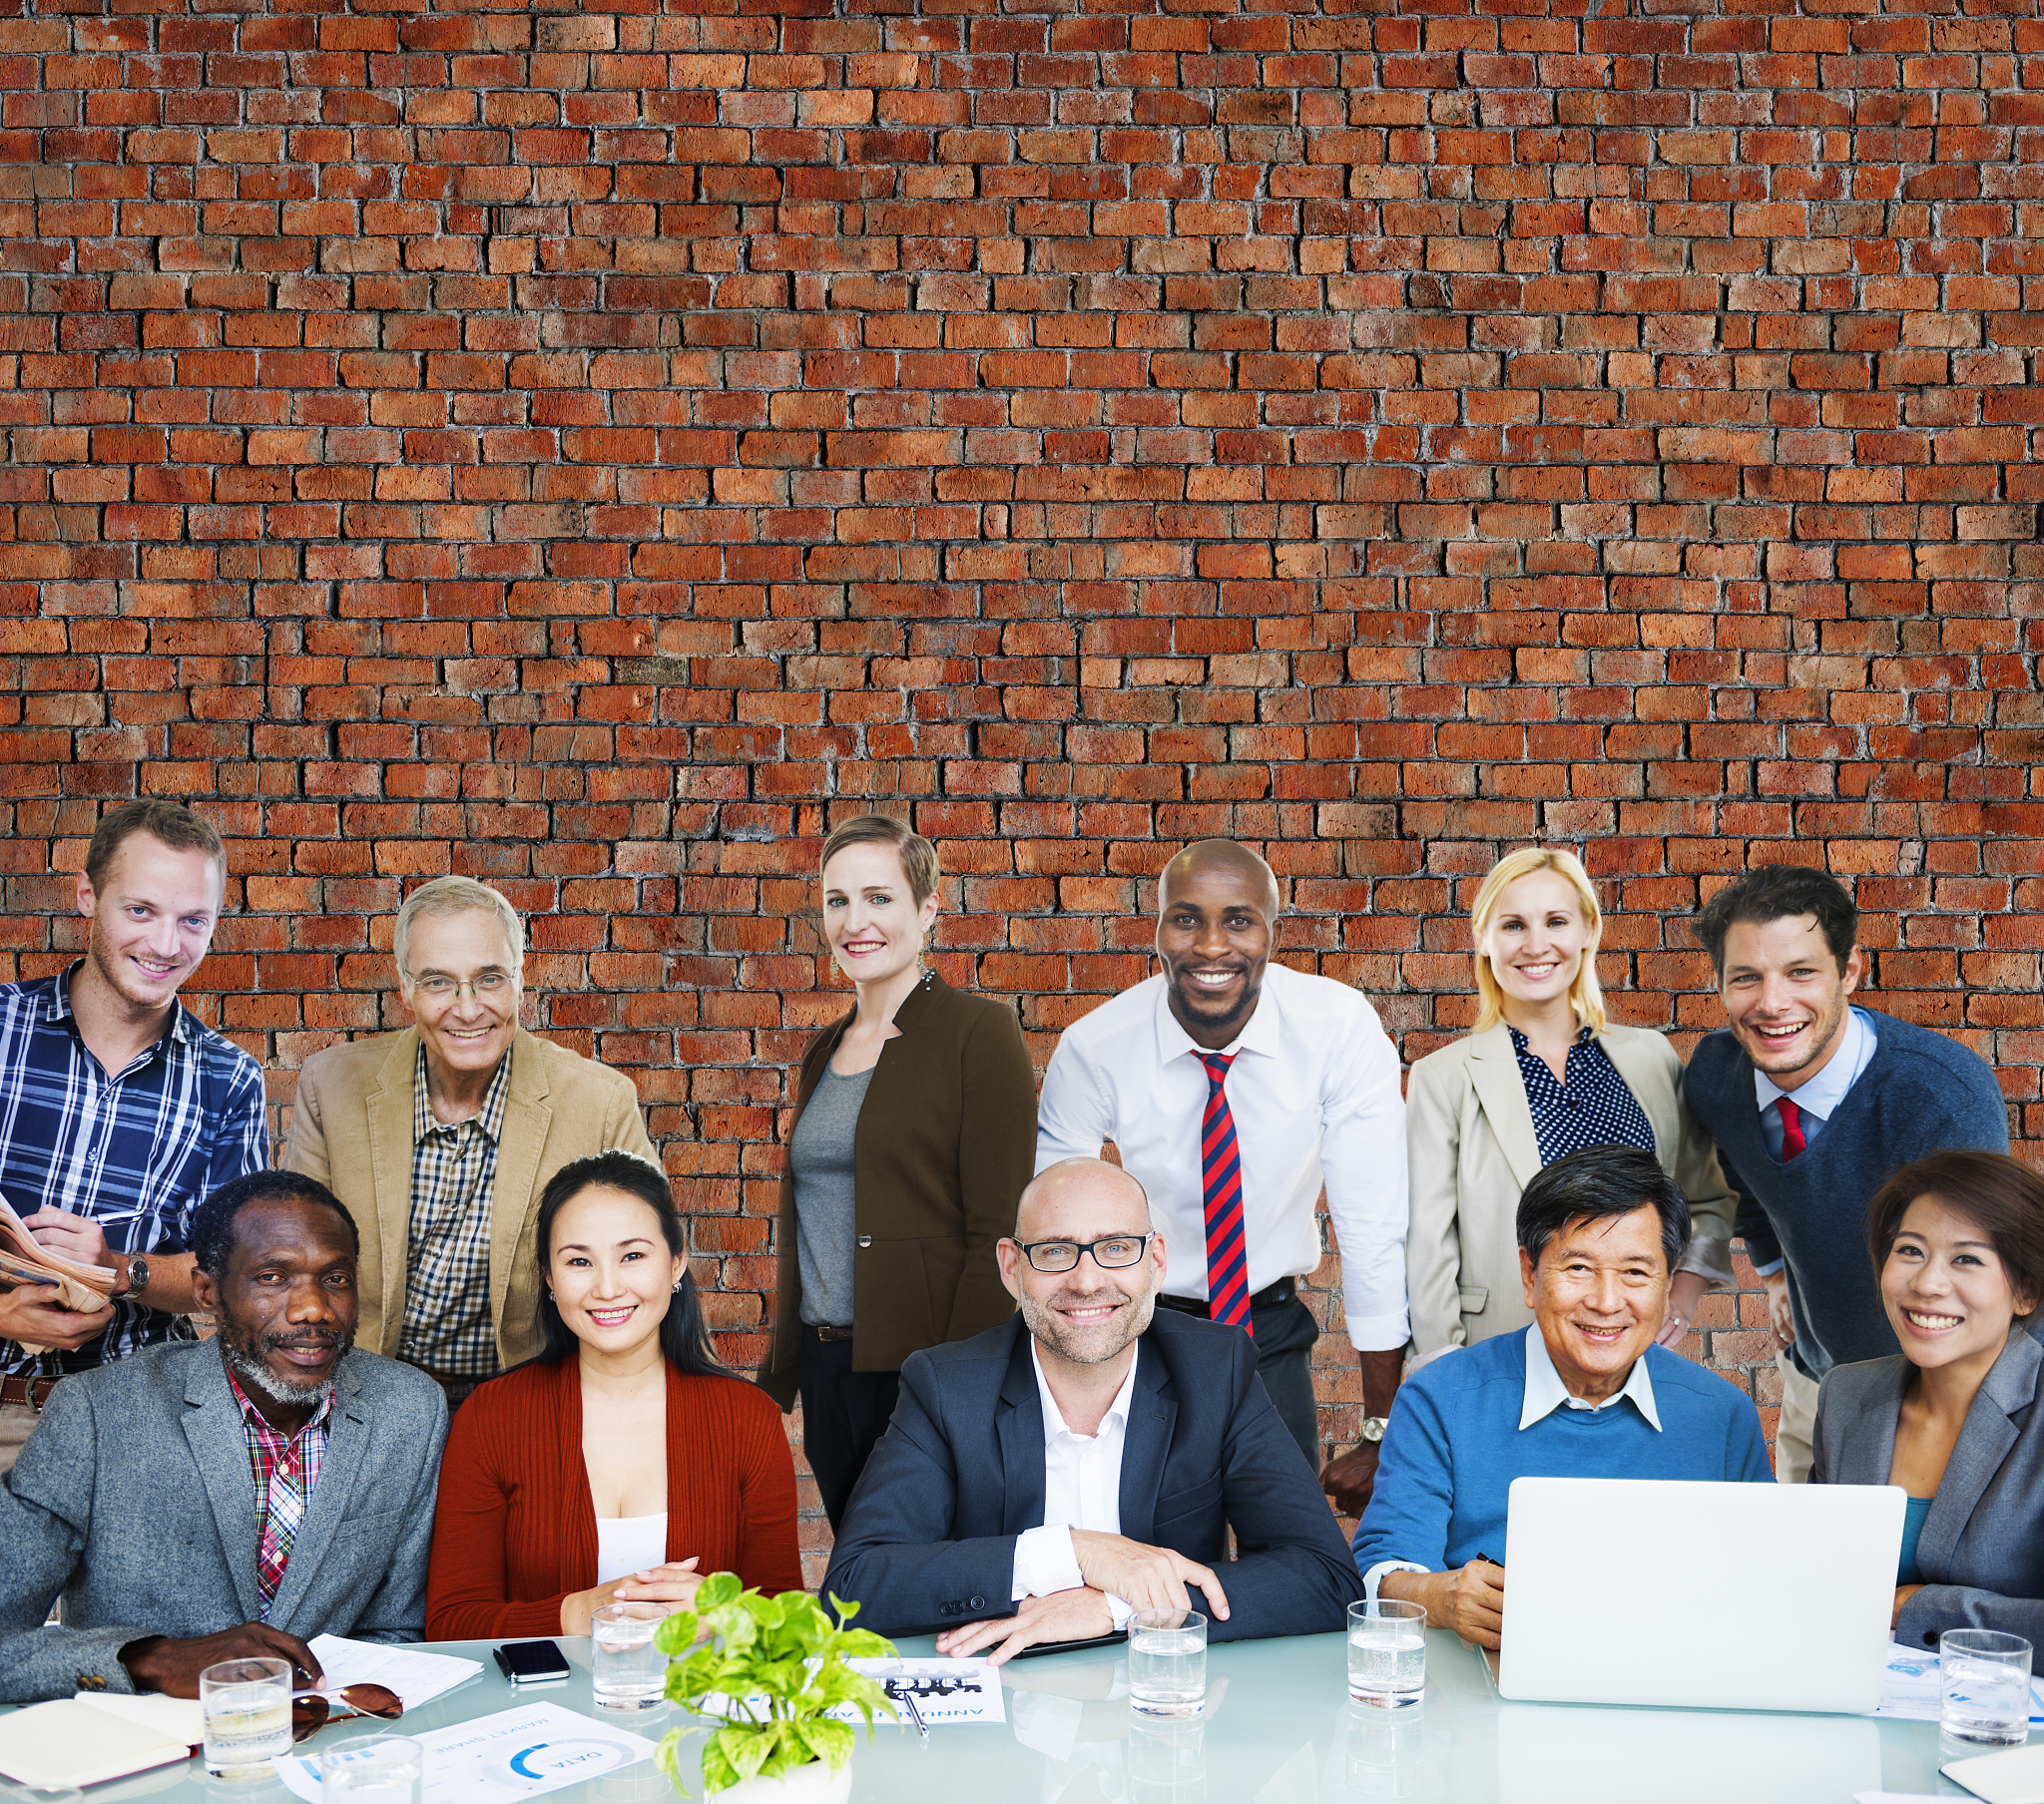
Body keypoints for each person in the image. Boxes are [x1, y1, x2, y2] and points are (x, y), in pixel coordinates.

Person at [822, 1157, 1365, 1659]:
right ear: (1013, 1268)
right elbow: (854, 1589)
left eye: (1115, 1248)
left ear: (1154, 1262)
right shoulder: (947, 1386)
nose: (1086, 1281)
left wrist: (1116, 1608)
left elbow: (1324, 1577)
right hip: (1009, 1704)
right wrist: (1074, 1554)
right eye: (1055, 1251)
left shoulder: (1214, 1370)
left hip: (1165, 1713)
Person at [1034, 839, 1406, 1513]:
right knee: (1157, 1571)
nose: (1211, 945)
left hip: (1270, 1329)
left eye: (1238, 920)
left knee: (1294, 1554)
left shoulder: (1336, 1028)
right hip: (1147, 1336)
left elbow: (1371, 1226)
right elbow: (1054, 1236)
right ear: (1155, 932)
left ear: (1272, 931)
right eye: (1186, 918)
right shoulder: (1096, 1047)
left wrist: (1381, 1429)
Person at [0, 1170, 446, 1702]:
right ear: (208, 1293)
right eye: (273, 1277)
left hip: (328, 1754)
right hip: (145, 1758)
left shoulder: (409, 1409)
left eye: (335, 1279)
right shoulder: (96, 1415)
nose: (314, 1309)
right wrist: (151, 1659)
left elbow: (397, 1635)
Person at [1351, 1146, 1773, 1651]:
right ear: (1530, 1275)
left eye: (1636, 1273)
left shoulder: (1721, 1416)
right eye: (1578, 1268)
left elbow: (1762, 1582)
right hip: (1484, 1688)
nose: (1606, 1302)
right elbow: (1387, 1569)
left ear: (1667, 1281)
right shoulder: (1440, 1398)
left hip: (1669, 1691)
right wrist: (1440, 1596)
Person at [756, 815, 1036, 1530]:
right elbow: (809, 1225)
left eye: (879, 898)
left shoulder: (978, 1033)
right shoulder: (823, 1050)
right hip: (827, 1374)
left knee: (916, 1578)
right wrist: (780, 1376)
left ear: (928, 909)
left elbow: (997, 1231)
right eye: (837, 901)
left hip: (921, 1375)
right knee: (862, 1572)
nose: (857, 922)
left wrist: (953, 1384)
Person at [1685, 865, 2010, 1482]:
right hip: (1818, 1380)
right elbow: (1740, 1176)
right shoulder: (1716, 1077)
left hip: (1942, 1395)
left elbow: (1980, 1274)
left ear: (1850, 971)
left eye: (1801, 972)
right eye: (1746, 978)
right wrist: (1776, 1270)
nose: (1772, 1003)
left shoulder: (1941, 1097)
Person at [284, 876, 658, 1409]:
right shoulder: (331, 1086)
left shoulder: (601, 1104)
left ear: (520, 981)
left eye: (489, 979)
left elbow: (648, 1274)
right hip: (365, 1397)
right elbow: (297, 1265)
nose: (467, 1008)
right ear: (405, 986)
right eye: (438, 982)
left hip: (531, 1400)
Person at [426, 1149, 802, 1639]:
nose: (606, 1288)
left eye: (632, 1256)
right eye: (579, 1261)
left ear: (676, 1262)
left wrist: (726, 1615)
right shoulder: (492, 1417)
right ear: (549, 1278)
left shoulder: (747, 1418)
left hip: (696, 1707)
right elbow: (451, 1624)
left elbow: (791, 1619)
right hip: (536, 1711)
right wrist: (580, 1614)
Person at [0, 799, 267, 1472]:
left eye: (192, 921)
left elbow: (230, 1277)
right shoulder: (2, 1029)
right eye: (141, 911)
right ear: (88, 896)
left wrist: (116, 1269)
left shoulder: (230, 1079)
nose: (166, 945)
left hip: (136, 1430)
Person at [1406, 847, 1738, 1361]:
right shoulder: (1443, 1077)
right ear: (1484, 940)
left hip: (1632, 1350)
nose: (1536, 945)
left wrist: (1684, 1292)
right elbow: (1429, 1248)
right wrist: (1444, 1377)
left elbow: (1707, 1199)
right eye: (1513, 925)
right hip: (1499, 1349)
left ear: (1588, 931)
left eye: (1556, 921)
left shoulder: (1651, 1057)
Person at [1812, 1150, 2044, 1647]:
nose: (1926, 1284)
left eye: (1966, 1259)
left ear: (2025, 1291)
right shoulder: (1845, 1396)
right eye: (1910, 1251)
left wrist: (1921, 1609)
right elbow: (1820, 1577)